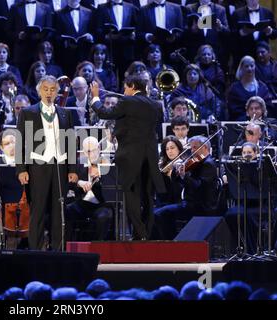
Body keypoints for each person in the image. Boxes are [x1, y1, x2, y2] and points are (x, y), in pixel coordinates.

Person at [90, 74, 166, 240]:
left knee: (131, 194)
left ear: (132, 86)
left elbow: (104, 113)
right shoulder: (155, 105)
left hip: (131, 157)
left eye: (125, 87)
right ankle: (146, 233)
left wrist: (95, 97)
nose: (124, 91)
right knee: (147, 196)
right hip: (150, 156)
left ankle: (140, 234)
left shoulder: (127, 101)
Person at [16, 75, 78, 250]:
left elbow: (71, 143)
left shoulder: (65, 113)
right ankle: (35, 250)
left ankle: (58, 251)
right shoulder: (28, 112)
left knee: (59, 211)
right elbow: (21, 142)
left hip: (60, 167)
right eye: (45, 89)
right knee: (38, 211)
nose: (49, 93)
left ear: (57, 92)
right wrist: (21, 169)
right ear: (39, 91)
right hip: (38, 167)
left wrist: (73, 169)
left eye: (52, 89)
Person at [154, 135, 219, 240]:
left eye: (195, 147)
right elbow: (182, 183)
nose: (192, 150)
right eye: (191, 147)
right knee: (158, 212)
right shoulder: (198, 162)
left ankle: (171, 244)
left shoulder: (208, 164)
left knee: (160, 214)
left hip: (200, 205)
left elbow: (198, 187)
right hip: (190, 203)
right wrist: (177, 173)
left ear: (205, 148)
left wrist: (185, 175)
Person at [65, 136, 113, 241]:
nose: (92, 154)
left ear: (99, 148)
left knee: (104, 216)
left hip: (100, 204)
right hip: (82, 203)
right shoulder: (78, 163)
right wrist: (79, 183)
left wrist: (101, 175)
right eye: (88, 151)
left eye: (95, 150)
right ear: (84, 152)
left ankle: (97, 247)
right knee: (66, 211)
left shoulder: (106, 163)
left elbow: (111, 186)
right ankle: (68, 247)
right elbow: (69, 184)